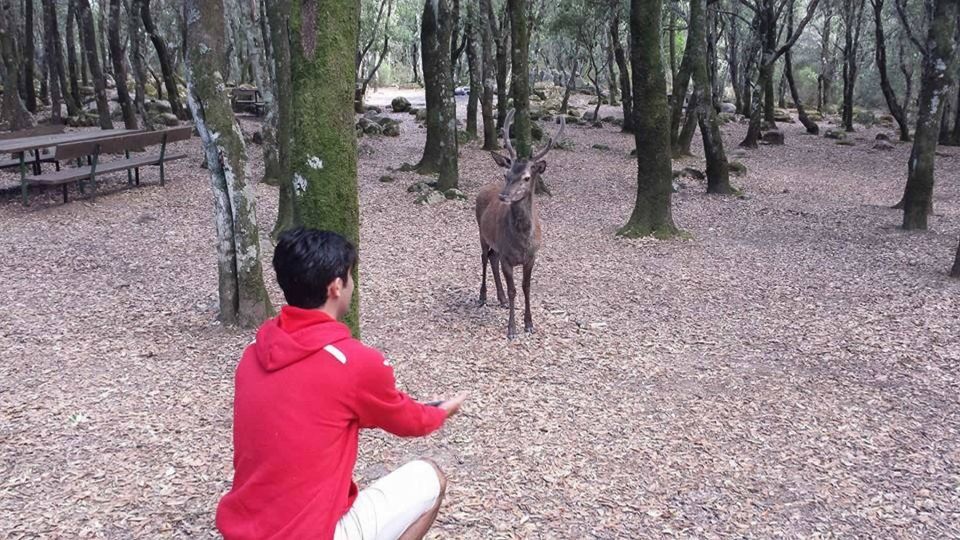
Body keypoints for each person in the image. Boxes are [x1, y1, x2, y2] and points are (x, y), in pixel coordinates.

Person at [216, 227, 468, 540]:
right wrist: (440, 412)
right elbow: (408, 421)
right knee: (431, 477)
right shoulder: (353, 363)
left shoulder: (253, 354)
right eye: (350, 277)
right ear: (336, 287)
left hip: (244, 531)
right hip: (311, 534)